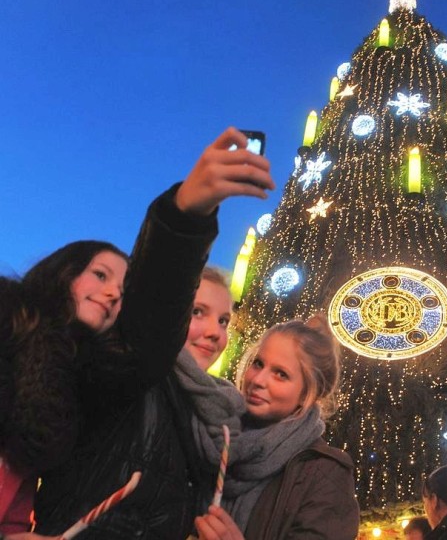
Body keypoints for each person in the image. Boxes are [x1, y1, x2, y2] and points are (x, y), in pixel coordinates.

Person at [29, 127, 275, 540]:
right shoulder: (123, 374)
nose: (214, 333)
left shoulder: (219, 419)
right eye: (196, 312)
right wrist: (184, 218)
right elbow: (150, 324)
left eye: (224, 321)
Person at [192, 315, 360, 540]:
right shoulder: (209, 438)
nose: (258, 380)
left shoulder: (324, 475)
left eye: (281, 374)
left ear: (307, 395)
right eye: (258, 364)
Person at [0, 241, 127, 534]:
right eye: (100, 274)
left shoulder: (72, 382)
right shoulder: (12, 319)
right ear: (66, 271)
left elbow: (20, 483)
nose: (113, 293)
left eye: (124, 290)